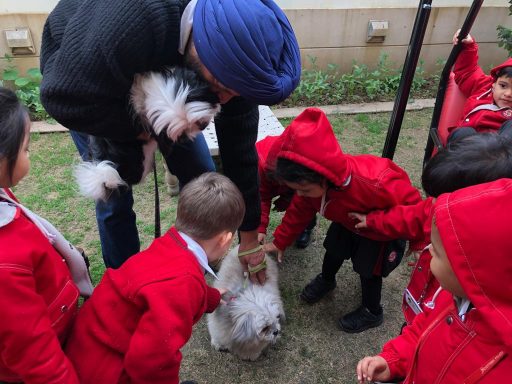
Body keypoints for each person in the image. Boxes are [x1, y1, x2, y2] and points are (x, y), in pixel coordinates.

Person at [39, 0, 301, 283]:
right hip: (91, 87)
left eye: (235, 94)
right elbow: (60, 97)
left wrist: (249, 239)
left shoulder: (241, 68)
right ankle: (123, 283)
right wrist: (145, 130)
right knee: (114, 196)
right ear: (204, 46)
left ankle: (184, 271)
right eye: (220, 87)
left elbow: (240, 154)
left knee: (203, 179)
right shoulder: (134, 22)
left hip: (164, 87)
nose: (223, 100)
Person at [65, 172, 244, 384]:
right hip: (108, 372)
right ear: (225, 239)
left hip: (87, 351)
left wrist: (211, 297)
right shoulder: (183, 284)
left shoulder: (168, 248)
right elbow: (151, 362)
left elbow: (164, 285)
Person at [263, 108, 422, 333]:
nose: (300, 195)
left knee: (369, 273)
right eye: (296, 190)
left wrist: (380, 223)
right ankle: (327, 280)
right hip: (346, 223)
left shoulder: (374, 182)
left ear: (324, 178)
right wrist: (281, 240)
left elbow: (415, 207)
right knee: (333, 252)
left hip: (378, 233)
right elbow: (299, 210)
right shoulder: (310, 190)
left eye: (305, 190)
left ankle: (372, 311)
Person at [356, 178, 512, 384]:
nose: (428, 251)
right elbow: (423, 328)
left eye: (436, 252)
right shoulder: (455, 297)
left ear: (470, 273)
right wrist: (394, 360)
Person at [350, 133, 512, 324]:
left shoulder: (487, 269)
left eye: (441, 199)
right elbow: (411, 216)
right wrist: (373, 220)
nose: (434, 205)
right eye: (434, 197)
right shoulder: (438, 207)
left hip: (443, 319)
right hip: (421, 304)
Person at [0, 87, 93, 383]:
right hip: (50, 349)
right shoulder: (4, 265)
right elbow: (35, 354)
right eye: (26, 148)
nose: (29, 156)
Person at [446, 29, 512, 144]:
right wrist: (468, 46)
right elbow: (468, 72)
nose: (508, 94)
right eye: (503, 86)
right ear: (494, 83)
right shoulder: (484, 87)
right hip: (462, 147)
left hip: (496, 154)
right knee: (462, 133)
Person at [256, 134, 317, 249]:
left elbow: (303, 201)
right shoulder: (259, 168)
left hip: (293, 176)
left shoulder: (303, 166)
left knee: (305, 200)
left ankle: (306, 226)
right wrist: (261, 227)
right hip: (269, 174)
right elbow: (262, 197)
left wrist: (287, 198)